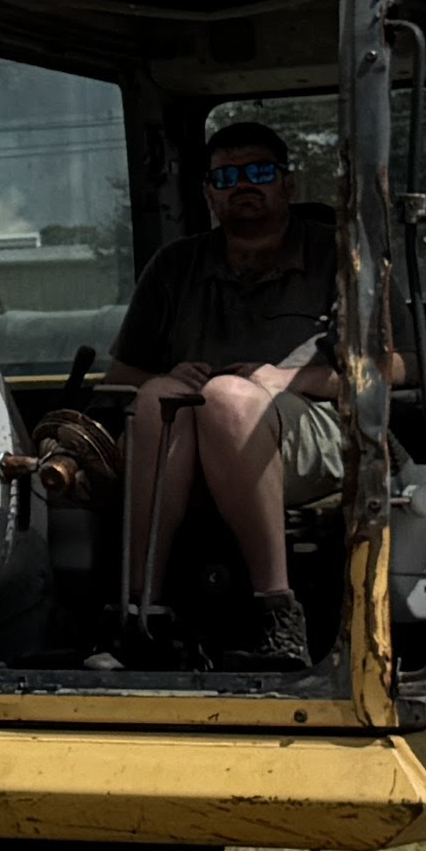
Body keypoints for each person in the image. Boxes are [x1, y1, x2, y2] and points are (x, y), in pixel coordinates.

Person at [103, 116, 344, 671]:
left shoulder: (338, 257)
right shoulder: (175, 267)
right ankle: (141, 615)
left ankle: (278, 615)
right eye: (227, 176)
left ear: (288, 185)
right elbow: (121, 374)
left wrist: (288, 379)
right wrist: (169, 377)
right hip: (195, 436)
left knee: (228, 401)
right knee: (159, 399)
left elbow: (393, 365)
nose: (244, 185)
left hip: (312, 428)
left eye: (259, 172)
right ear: (209, 195)